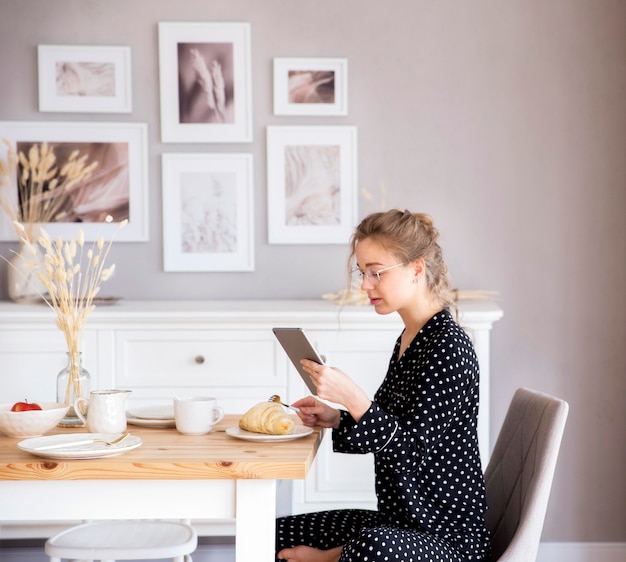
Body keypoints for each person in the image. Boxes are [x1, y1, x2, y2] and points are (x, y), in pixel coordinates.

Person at [275, 209, 491, 562]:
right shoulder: (410, 337)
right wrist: (336, 418)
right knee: (275, 532)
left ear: (416, 269)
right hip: (400, 522)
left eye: (376, 272)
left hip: (446, 538)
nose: (365, 285)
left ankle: (332, 557)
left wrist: (355, 398)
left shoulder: (448, 347)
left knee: (371, 548)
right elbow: (392, 428)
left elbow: (409, 453)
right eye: (362, 273)